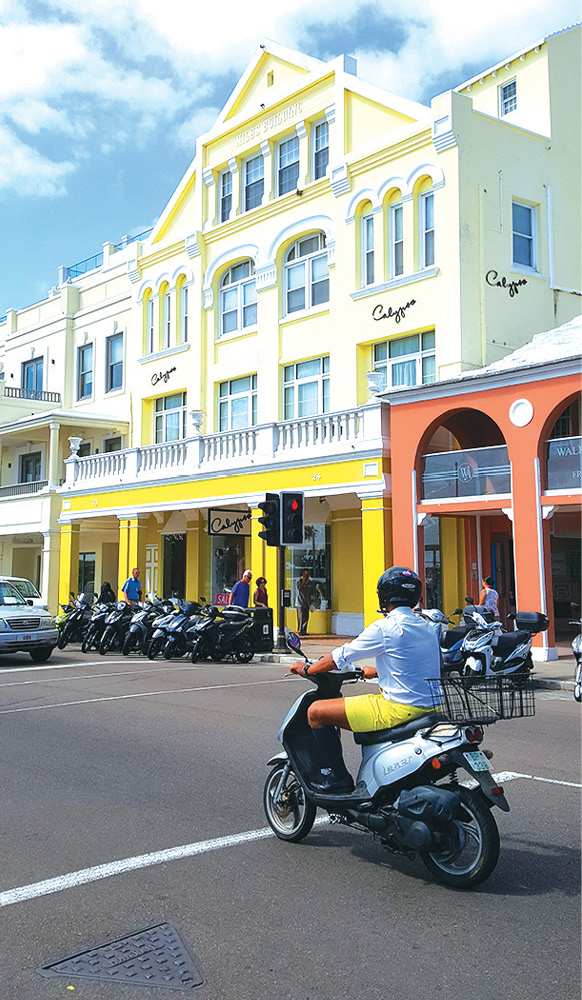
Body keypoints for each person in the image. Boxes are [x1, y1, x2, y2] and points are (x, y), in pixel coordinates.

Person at [290, 566, 441, 792]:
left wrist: (308, 669)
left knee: (316, 712)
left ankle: (339, 777)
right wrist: (377, 671)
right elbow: (414, 662)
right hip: (430, 707)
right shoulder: (428, 627)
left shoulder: (385, 627)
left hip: (397, 708)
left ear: (384, 596)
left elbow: (340, 657)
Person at [296, 569, 311, 635]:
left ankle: (304, 630)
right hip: (300, 602)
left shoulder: (309, 581)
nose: (307, 576)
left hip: (306, 602)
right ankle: (300, 631)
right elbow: (299, 589)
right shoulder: (299, 580)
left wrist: (310, 603)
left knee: (306, 617)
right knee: (301, 617)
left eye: (308, 575)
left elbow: (309, 593)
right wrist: (303, 582)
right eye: (306, 575)